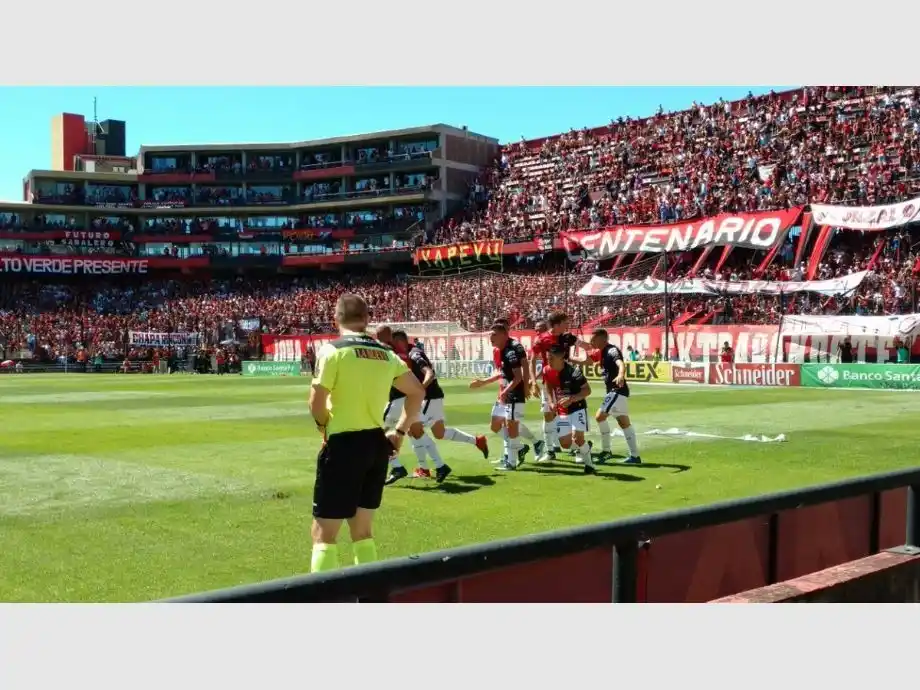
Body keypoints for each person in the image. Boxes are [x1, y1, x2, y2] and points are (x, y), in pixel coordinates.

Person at [308, 294, 425, 573]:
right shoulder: (385, 353)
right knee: (362, 532)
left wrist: (324, 426)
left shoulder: (332, 351)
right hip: (376, 445)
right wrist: (399, 431)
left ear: (336, 318)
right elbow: (417, 392)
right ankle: (369, 594)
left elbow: (316, 402)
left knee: (324, 533)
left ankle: (323, 596)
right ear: (367, 319)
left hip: (343, 444)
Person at [385, 330, 489, 485]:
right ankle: (477, 441)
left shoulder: (414, 354)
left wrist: (419, 390)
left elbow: (429, 373)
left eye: (394, 343)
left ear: (400, 342)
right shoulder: (410, 353)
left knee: (414, 430)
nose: (393, 346)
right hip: (434, 397)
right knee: (439, 433)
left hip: (428, 397)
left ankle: (426, 468)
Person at [529, 311, 592, 460]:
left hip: (567, 382)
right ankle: (550, 451)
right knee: (548, 415)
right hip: (549, 382)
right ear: (556, 324)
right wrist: (533, 381)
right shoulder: (541, 340)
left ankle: (579, 448)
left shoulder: (568, 337)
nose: (568, 325)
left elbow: (587, 346)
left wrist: (586, 355)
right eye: (565, 323)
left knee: (570, 412)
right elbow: (532, 361)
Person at [574, 328, 641, 465]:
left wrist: (621, 374)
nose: (591, 341)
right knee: (624, 423)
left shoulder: (611, 350)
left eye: (594, 339)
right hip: (616, 392)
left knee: (600, 416)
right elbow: (587, 361)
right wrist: (569, 358)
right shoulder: (601, 352)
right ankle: (635, 456)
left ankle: (606, 451)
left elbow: (620, 363)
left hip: (617, 390)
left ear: (602, 339)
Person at [470, 322, 529, 470]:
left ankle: (512, 461)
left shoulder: (511, 351)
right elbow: (501, 373)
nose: (491, 337)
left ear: (504, 334)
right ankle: (518, 449)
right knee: (497, 425)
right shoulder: (500, 351)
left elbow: (518, 377)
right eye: (491, 334)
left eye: (494, 334)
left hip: (513, 394)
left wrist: (507, 391)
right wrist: (483, 382)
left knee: (512, 427)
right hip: (506, 393)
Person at [543, 345, 595, 475]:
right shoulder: (547, 370)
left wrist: (571, 399)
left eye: (551, 358)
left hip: (578, 408)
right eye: (547, 358)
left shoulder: (574, 372)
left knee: (578, 439)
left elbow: (587, 390)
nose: (548, 361)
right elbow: (548, 385)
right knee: (565, 444)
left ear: (561, 358)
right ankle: (585, 447)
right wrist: (551, 401)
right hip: (562, 410)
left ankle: (589, 465)